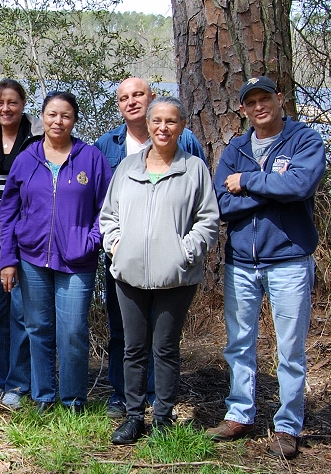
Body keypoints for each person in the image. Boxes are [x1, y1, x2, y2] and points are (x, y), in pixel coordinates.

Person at [207, 76, 326, 460]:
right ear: (243, 109)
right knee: (239, 343)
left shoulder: (304, 140)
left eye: (265, 98)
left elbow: (300, 185)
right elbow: (221, 204)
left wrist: (248, 183)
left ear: (279, 99)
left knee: (290, 349)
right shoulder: (237, 148)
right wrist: (269, 190)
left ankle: (288, 425)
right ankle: (240, 413)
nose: (259, 106)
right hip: (241, 262)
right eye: (251, 102)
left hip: (289, 259)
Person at [99, 96, 220, 444]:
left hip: (176, 277)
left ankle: (163, 418)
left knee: (164, 348)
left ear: (181, 127)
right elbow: (109, 216)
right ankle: (134, 417)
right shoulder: (128, 168)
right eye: (157, 122)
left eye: (171, 122)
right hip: (129, 274)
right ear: (148, 125)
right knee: (133, 348)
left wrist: (186, 252)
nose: (163, 128)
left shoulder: (194, 169)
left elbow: (208, 220)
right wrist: (117, 246)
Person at [0, 91, 111, 412]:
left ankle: (74, 398)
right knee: (37, 328)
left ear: (74, 120)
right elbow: (8, 214)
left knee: (73, 330)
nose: (57, 121)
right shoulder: (26, 159)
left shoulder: (91, 159)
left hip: (78, 261)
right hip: (32, 258)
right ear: (42, 118)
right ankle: (44, 395)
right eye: (51, 114)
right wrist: (7, 259)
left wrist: (90, 240)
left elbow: (109, 208)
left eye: (65, 115)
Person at [0, 79, 39, 409]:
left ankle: (18, 383)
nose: (6, 108)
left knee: (22, 314)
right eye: (0, 102)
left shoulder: (36, 140)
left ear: (23, 103)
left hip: (26, 242)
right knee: (0, 314)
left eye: (12, 102)